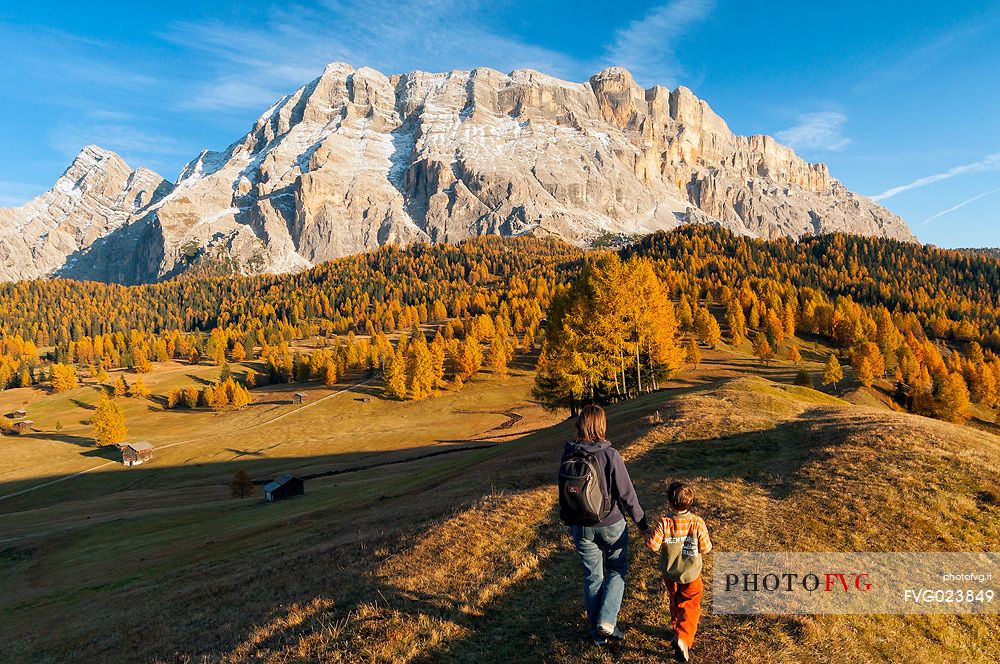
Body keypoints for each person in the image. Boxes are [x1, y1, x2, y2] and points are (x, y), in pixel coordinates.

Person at [559, 404, 648, 645]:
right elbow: (627, 495)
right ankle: (607, 621)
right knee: (616, 569)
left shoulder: (569, 453)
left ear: (580, 425)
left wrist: (568, 522)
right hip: (611, 523)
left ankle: (597, 635)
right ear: (601, 425)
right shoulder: (610, 455)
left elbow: (565, 491)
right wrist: (642, 524)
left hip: (581, 525)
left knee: (592, 577)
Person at [645, 481, 713, 662]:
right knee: (690, 605)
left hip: (670, 573)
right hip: (691, 573)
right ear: (690, 502)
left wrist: (647, 535)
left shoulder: (665, 522)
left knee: (675, 600)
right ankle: (683, 637)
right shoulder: (697, 522)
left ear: (669, 502)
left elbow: (653, 546)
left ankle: (676, 631)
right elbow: (706, 548)